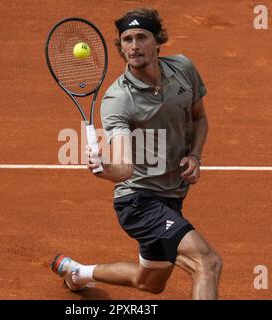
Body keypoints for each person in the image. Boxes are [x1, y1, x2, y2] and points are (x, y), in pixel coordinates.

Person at [51, 7, 222, 300]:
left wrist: (195, 156)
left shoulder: (183, 69)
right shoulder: (118, 100)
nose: (133, 46)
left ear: (157, 41)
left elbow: (199, 118)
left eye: (141, 37)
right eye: (126, 39)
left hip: (171, 197)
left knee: (150, 282)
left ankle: (77, 272)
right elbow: (124, 168)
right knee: (207, 263)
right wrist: (106, 168)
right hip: (138, 201)